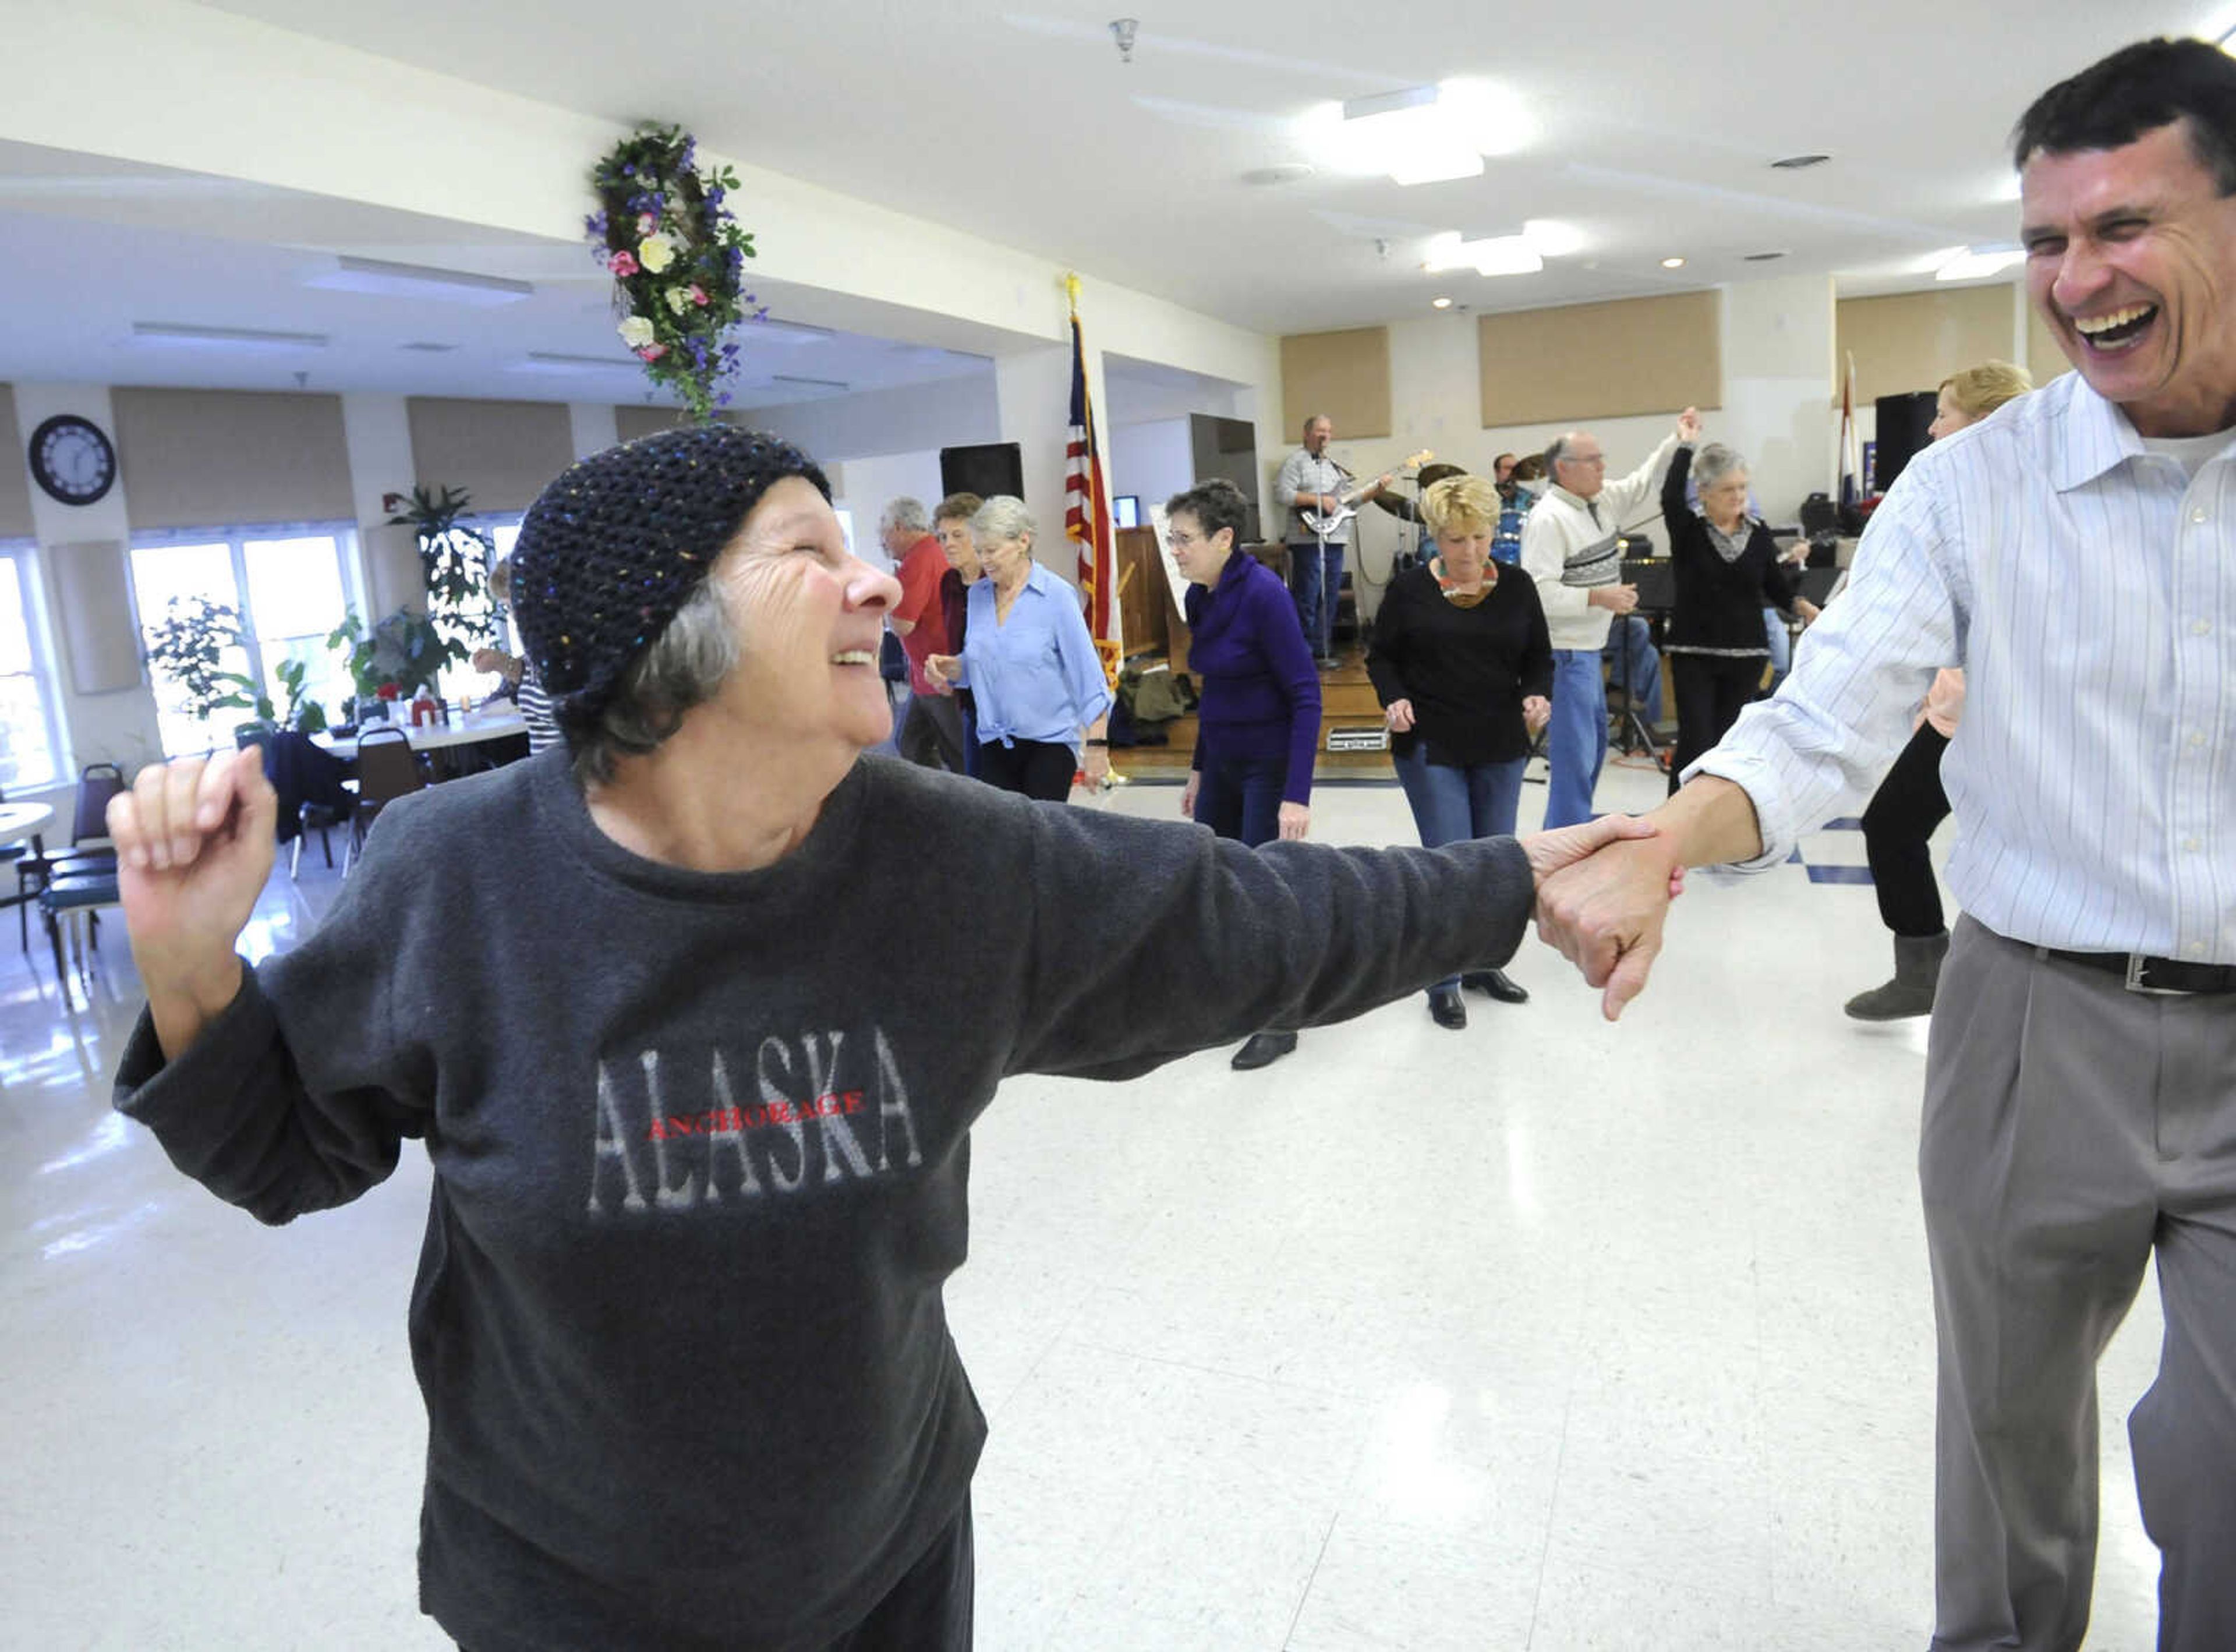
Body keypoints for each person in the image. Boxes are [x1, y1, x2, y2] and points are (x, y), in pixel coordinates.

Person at [106, 423, 1658, 1652]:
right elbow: (287, 1151)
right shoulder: (454, 874)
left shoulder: (947, 858)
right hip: (571, 1588)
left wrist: (1518, 877)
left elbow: (1254, 921)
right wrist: (189, 961)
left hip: (886, 1559)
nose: (878, 585)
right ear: (663, 627)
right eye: (809, 550)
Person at [1537, 38, 2236, 1651]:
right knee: (2003, 1446)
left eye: (2123, 227)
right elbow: (1822, 715)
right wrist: (1672, 838)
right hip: (2032, 1016)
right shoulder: (1972, 487)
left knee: (2220, 1466)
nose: (2079, 279)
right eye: (2047, 243)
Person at [1844, 360, 2033, 1020]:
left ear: (1982, 424)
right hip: (1959, 711)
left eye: (1945, 412)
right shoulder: (1963, 498)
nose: (1931, 425)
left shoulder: (2016, 506)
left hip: (1987, 719)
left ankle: (1932, 966)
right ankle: (1929, 964)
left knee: (1897, 824)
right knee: (1905, 826)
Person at [1368, 473, 1553, 1025]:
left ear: (1493, 530)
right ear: (1434, 537)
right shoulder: (1408, 590)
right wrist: (1394, 698)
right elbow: (1382, 659)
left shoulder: (1519, 586)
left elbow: (1538, 658)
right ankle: (1441, 979)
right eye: (1455, 539)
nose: (1469, 551)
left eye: (1478, 536)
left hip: (1499, 740)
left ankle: (1481, 964)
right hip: (1432, 742)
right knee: (1449, 864)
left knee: (1495, 864)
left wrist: (1537, 694)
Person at [1167, 478, 1322, 1070]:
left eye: (1184, 539)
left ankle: (1282, 1017)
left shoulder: (1265, 596)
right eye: (1172, 538)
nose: (1175, 549)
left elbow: (1306, 695)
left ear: (1225, 537)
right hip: (1225, 761)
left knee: (1264, 890)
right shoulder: (1200, 597)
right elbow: (1217, 693)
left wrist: (1296, 794)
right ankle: (1235, 996)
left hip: (1269, 763)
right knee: (1215, 879)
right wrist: (1200, 769)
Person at [1523, 410, 1699, 826]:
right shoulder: (1549, 518)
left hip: (1586, 650)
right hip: (1564, 655)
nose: (1603, 466)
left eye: (1602, 458)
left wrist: (1679, 440)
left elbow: (1642, 481)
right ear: (1564, 469)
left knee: (1593, 752)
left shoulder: (1598, 502)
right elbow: (1539, 592)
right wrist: (1599, 596)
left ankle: (1568, 838)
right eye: (1593, 460)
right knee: (1575, 762)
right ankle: (1565, 848)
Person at [925, 496, 1112, 801]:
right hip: (993, 742)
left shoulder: (1056, 596)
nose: (985, 560)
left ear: (1023, 541)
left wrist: (1097, 746)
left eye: (993, 550)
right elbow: (981, 664)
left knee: (1040, 838)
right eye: (980, 551)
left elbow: (1088, 676)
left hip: (1048, 745)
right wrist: (953, 668)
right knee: (1002, 840)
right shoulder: (979, 597)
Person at [1658, 439, 1800, 795]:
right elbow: (1670, 496)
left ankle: (1715, 826)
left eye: (1742, 487)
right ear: (1704, 493)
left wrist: (1807, 609)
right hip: (1695, 654)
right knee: (1696, 742)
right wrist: (1686, 445)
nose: (1738, 496)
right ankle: (1677, 825)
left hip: (1747, 656)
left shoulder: (1758, 531)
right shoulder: (1688, 531)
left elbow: (1775, 586)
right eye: (1727, 489)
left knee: (1727, 746)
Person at [1274, 413, 1383, 667]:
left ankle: (1322, 649)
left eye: (1329, 431)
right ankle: (1301, 652)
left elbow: (1348, 501)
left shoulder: (1334, 466)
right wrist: (1317, 500)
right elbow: (1282, 493)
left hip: (1335, 537)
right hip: (1306, 538)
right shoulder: (1295, 462)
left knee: (1330, 595)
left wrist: (1375, 493)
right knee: (1308, 594)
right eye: (1320, 431)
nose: (1325, 436)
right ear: (1307, 433)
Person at [882, 498, 964, 773]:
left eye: (885, 535)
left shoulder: (917, 560)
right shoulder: (930, 552)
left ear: (898, 527)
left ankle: (977, 808)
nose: (885, 543)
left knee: (956, 751)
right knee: (911, 742)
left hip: (938, 674)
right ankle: (937, 802)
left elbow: (902, 625)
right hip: (928, 674)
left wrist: (883, 601)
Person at [469, 557, 560, 756]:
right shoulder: (535, 646)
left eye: (515, 605)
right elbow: (531, 681)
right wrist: (502, 663)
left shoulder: (568, 645)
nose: (514, 617)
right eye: (508, 608)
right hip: (543, 770)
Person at [931, 491, 983, 776]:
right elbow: (957, 642)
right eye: (943, 537)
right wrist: (947, 671)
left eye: (957, 535)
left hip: (1006, 707)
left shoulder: (997, 581)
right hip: (969, 703)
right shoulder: (949, 582)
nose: (948, 544)